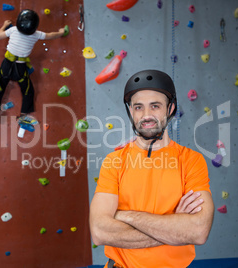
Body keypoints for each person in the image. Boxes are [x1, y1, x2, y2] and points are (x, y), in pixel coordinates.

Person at [89, 70, 214, 268]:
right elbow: (99, 232)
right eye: (138, 107)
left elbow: (198, 231)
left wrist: (123, 215)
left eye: (155, 106)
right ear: (131, 111)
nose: (146, 115)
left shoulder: (191, 161)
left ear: (170, 108)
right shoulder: (114, 161)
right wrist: (174, 226)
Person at [0, 9, 65, 126]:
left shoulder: (13, 29)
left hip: (6, 64)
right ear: (34, 26)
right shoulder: (36, 34)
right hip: (20, 68)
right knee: (28, 91)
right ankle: (23, 116)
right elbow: (50, 36)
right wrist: (61, 32)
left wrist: (4, 26)